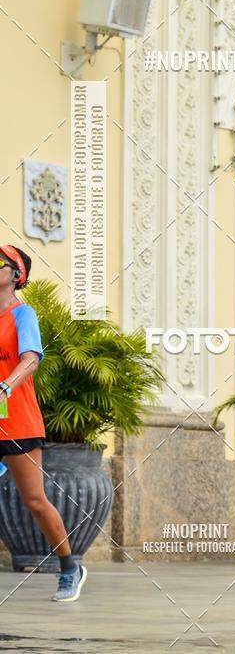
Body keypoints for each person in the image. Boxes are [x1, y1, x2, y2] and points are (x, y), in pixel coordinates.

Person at [0, 244, 87, 601]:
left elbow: (31, 360)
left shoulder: (23, 315)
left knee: (35, 500)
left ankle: (69, 566)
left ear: (15, 274)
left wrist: (5, 387)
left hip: (18, 421)